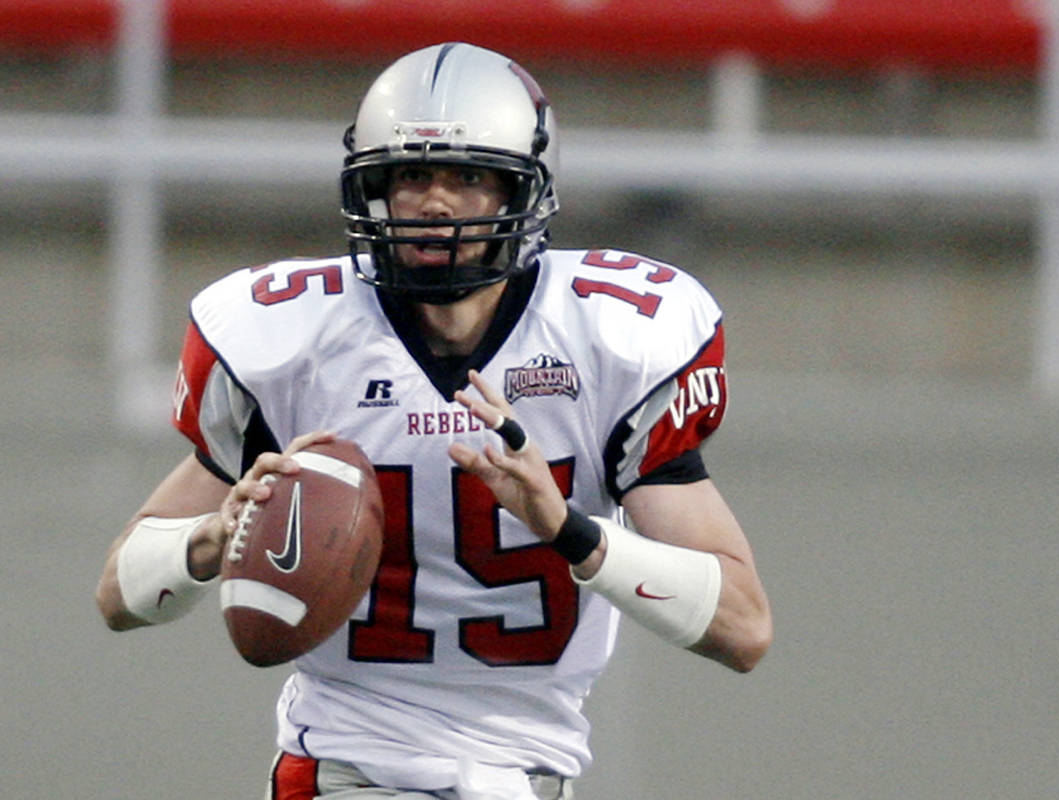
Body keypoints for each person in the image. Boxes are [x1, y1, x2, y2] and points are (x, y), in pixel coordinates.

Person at [95, 42, 772, 800]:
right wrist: (211, 537)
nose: (435, 202)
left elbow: (743, 628)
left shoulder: (610, 336)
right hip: (350, 771)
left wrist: (570, 529)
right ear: (375, 186)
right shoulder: (289, 341)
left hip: (530, 775)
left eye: (469, 178)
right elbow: (118, 592)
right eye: (412, 174)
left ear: (522, 192)